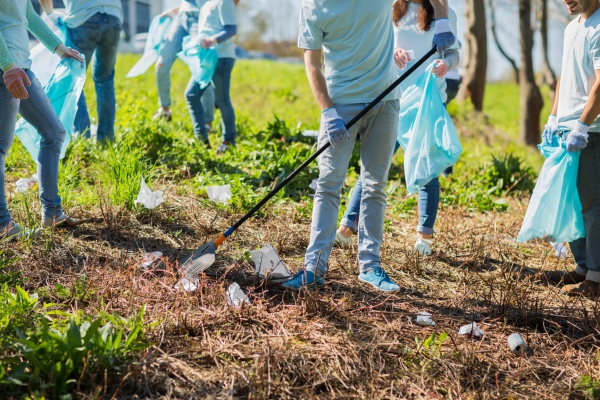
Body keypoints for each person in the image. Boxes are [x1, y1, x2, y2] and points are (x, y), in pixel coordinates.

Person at [282, 0, 455, 292]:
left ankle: (370, 266)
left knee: (375, 184)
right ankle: (313, 269)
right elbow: (311, 63)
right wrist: (327, 111)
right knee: (328, 185)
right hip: (341, 104)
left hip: (386, 100)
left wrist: (443, 22)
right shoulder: (311, 7)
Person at [334, 0, 459, 257]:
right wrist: (392, 53)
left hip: (428, 101)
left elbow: (454, 53)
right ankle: (347, 229)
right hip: (393, 98)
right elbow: (374, 47)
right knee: (373, 166)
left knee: (427, 171)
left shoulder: (445, 14)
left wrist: (446, 65)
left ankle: (424, 239)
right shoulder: (388, 8)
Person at [0, 0, 85, 238]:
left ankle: (53, 213)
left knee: (53, 132)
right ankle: (2, 225)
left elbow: (29, 15)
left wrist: (59, 48)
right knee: (1, 147)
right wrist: (7, 66)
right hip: (6, 70)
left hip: (22, 68)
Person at [544, 0, 600, 298]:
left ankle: (597, 276)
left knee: (592, 205)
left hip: (590, 130)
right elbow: (565, 75)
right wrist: (555, 115)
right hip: (567, 127)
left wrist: (582, 125)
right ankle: (582, 267)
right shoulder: (571, 28)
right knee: (573, 203)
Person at [40, 0, 122, 143]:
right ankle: (106, 139)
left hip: (83, 18)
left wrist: (50, 13)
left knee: (74, 80)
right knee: (105, 80)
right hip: (114, 16)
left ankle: (83, 137)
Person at [184, 0, 238, 153]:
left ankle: (229, 141)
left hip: (221, 57)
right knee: (191, 94)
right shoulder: (207, 3)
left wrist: (210, 41)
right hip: (207, 58)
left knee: (222, 100)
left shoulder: (224, 1)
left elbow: (232, 29)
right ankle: (201, 140)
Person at [153, 0, 202, 124]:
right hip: (181, 18)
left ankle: (207, 122)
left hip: (201, 18)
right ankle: (164, 110)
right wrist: (176, 10)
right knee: (161, 64)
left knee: (202, 69)